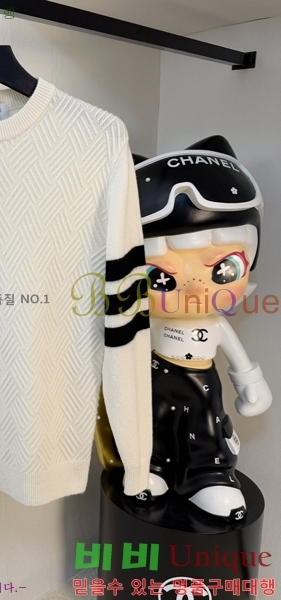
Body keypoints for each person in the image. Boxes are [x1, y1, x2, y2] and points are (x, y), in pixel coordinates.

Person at [134, 136, 272, 519]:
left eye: (223, 269)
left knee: (206, 429)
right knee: (152, 427)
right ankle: (152, 467)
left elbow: (237, 357)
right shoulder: (152, 320)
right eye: (162, 277)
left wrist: (251, 384)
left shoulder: (215, 324)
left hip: (202, 385)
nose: (195, 289)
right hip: (157, 378)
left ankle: (209, 476)